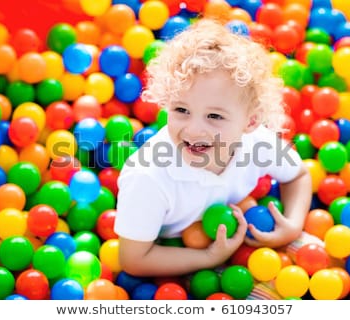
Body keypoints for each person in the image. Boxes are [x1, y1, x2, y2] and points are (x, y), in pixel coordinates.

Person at [114, 19, 312, 277]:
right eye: (181, 110)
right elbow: (133, 259)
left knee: (311, 261)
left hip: (243, 231)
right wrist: (208, 258)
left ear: (250, 121)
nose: (194, 130)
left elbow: (299, 175)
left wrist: (293, 225)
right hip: (173, 255)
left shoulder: (256, 142)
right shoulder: (149, 177)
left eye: (215, 117)